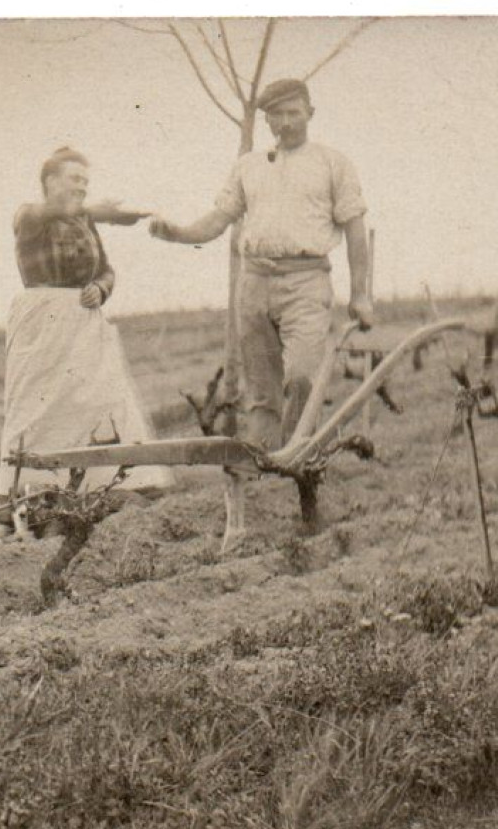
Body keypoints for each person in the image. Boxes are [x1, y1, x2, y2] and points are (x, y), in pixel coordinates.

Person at [148, 78, 373, 549]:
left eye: (294, 112)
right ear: (267, 120)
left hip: (307, 280)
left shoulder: (333, 163)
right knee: (261, 394)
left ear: (310, 112)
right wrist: (178, 233)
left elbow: (355, 230)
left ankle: (296, 457)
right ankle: (267, 475)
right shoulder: (249, 166)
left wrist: (362, 294)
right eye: (277, 115)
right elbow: (218, 219)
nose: (286, 122)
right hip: (254, 282)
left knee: (304, 377)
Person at [0, 147, 164, 536]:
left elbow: (106, 269)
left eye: (86, 183)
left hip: (84, 322)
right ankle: (20, 503)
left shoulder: (85, 222)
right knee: (37, 410)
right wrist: (95, 211)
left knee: (96, 403)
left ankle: (93, 494)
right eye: (75, 180)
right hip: (42, 321)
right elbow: (38, 213)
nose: (82, 188)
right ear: (50, 182)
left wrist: (100, 289)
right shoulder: (29, 217)